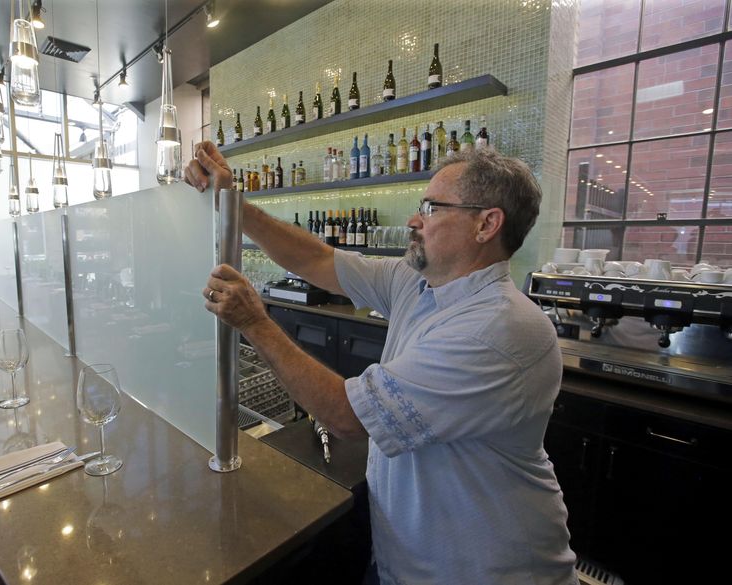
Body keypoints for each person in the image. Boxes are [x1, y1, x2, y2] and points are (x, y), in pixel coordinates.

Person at [185, 142, 578, 585]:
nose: (414, 220)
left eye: (430, 208)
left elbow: (345, 417)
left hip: (484, 570)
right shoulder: (417, 282)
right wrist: (233, 200)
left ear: (487, 224)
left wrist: (255, 322)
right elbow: (316, 259)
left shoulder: (498, 327)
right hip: (405, 558)